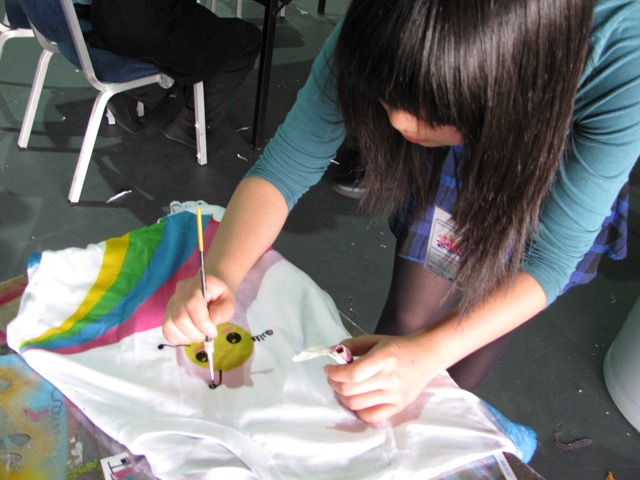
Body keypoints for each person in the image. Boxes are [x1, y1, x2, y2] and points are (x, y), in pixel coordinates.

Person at [163, 0, 640, 424]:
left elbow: (549, 260)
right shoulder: (391, 18)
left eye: (432, 111)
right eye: (384, 96)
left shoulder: (623, 56)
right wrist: (222, 270)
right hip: (476, 102)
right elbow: (286, 165)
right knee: (403, 328)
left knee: (462, 344)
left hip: (548, 153)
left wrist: (427, 355)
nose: (397, 122)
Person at [86, 0, 262, 145]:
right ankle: (191, 123)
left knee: (197, 22)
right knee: (247, 38)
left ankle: (136, 90)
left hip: (107, 24)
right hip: (148, 33)